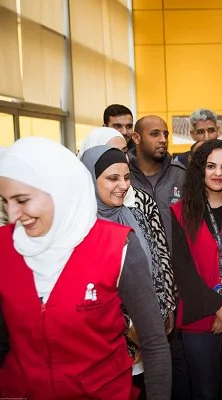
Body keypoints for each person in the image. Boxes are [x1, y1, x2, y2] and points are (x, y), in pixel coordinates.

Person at [0, 137, 171, 398]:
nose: (12, 215)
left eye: (23, 200)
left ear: (58, 190)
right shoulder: (4, 247)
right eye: (5, 201)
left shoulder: (115, 245)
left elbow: (155, 343)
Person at [80, 145, 176, 397]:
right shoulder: (79, 232)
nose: (123, 185)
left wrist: (154, 323)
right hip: (105, 348)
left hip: (148, 339)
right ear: (89, 178)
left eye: (126, 177)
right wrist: (134, 333)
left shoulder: (137, 216)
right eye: (112, 178)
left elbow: (159, 265)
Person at [170, 139, 222, 399]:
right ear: (200, 168)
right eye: (211, 166)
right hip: (199, 314)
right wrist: (219, 306)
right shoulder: (179, 212)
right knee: (205, 391)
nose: (218, 173)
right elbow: (182, 269)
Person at [129, 115, 186, 247]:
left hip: (176, 262)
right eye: (155, 134)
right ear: (137, 138)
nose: (163, 140)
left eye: (165, 134)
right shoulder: (125, 176)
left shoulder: (180, 174)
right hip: (140, 262)